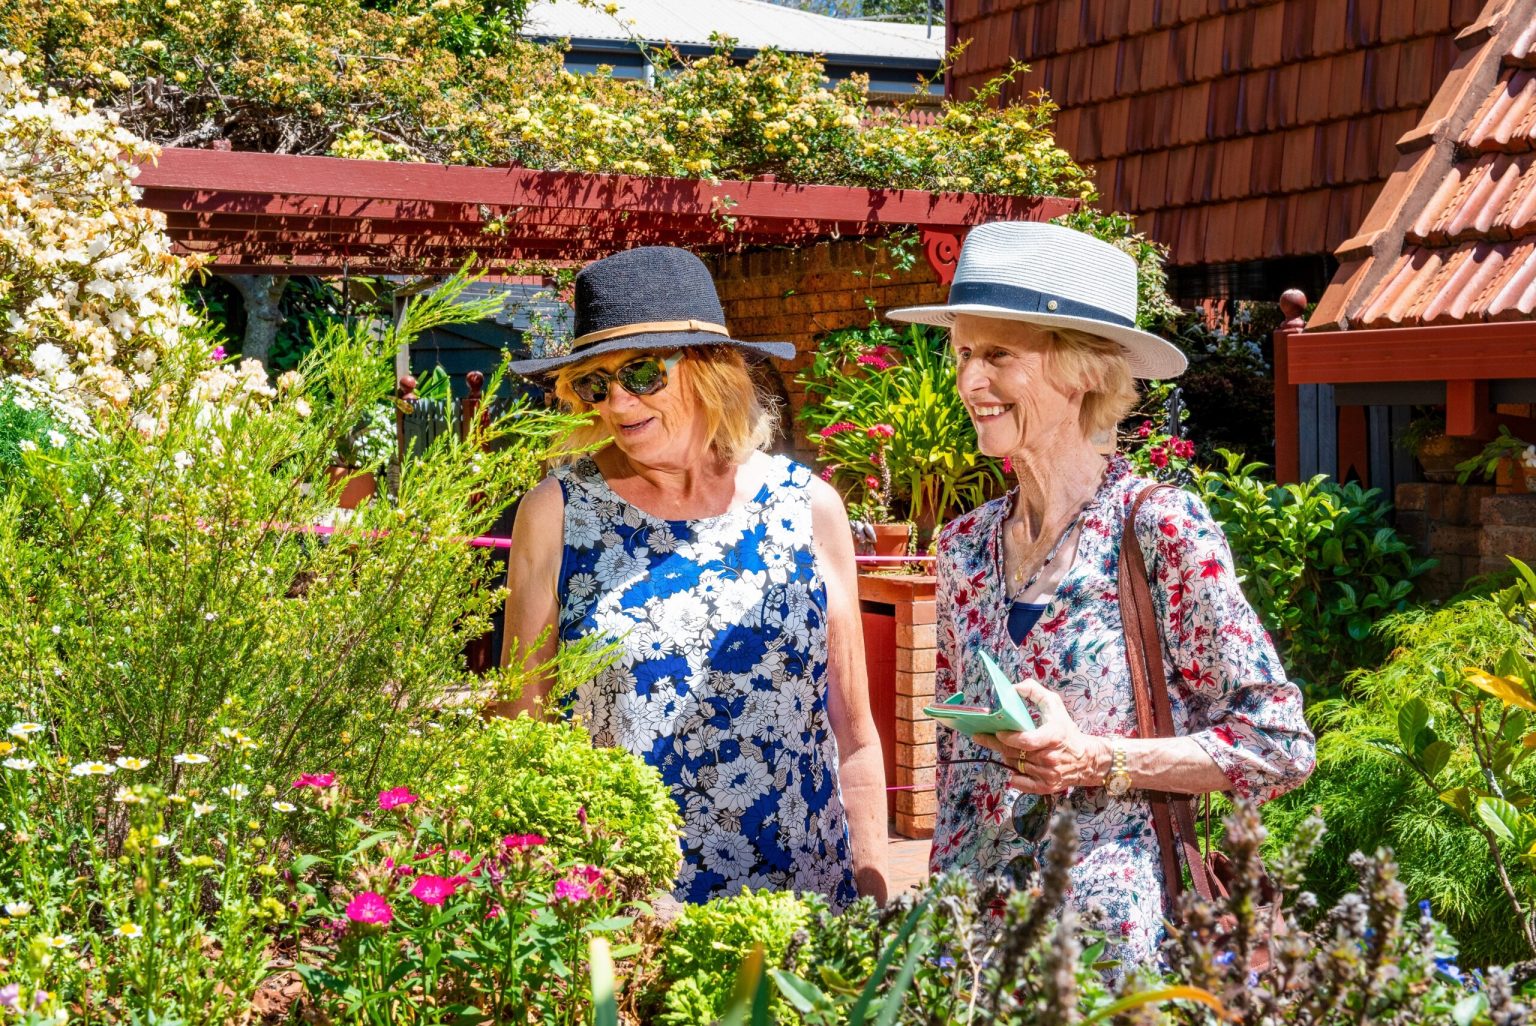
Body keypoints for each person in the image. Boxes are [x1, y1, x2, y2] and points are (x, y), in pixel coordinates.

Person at [885, 221, 1314, 964]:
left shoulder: (1158, 528)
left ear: (1081, 370)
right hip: (976, 945)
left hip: (1110, 952)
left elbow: (1277, 744)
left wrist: (1095, 758)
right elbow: (957, 766)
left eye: (999, 355)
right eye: (962, 354)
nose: (970, 382)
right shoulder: (962, 548)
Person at [501, 246, 889, 907]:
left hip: (804, 909)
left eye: (641, 373)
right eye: (595, 383)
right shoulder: (558, 513)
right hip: (631, 911)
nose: (617, 400)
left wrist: (875, 903)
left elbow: (853, 736)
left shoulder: (808, 507)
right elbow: (521, 731)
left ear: (710, 371)